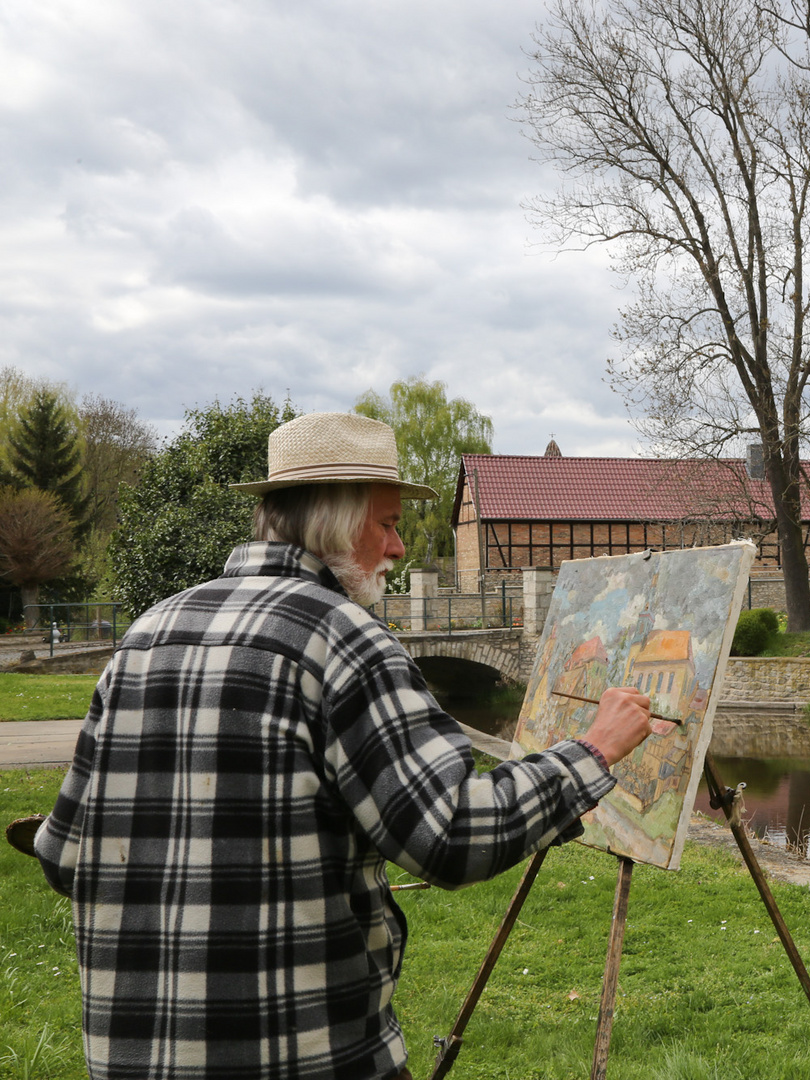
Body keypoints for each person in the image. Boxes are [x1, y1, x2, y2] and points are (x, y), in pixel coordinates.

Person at [34, 412, 653, 1080]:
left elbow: (63, 854)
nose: (396, 549)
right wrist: (591, 753)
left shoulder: (150, 631)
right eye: (386, 524)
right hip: (304, 1054)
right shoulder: (343, 637)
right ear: (334, 521)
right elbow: (450, 833)